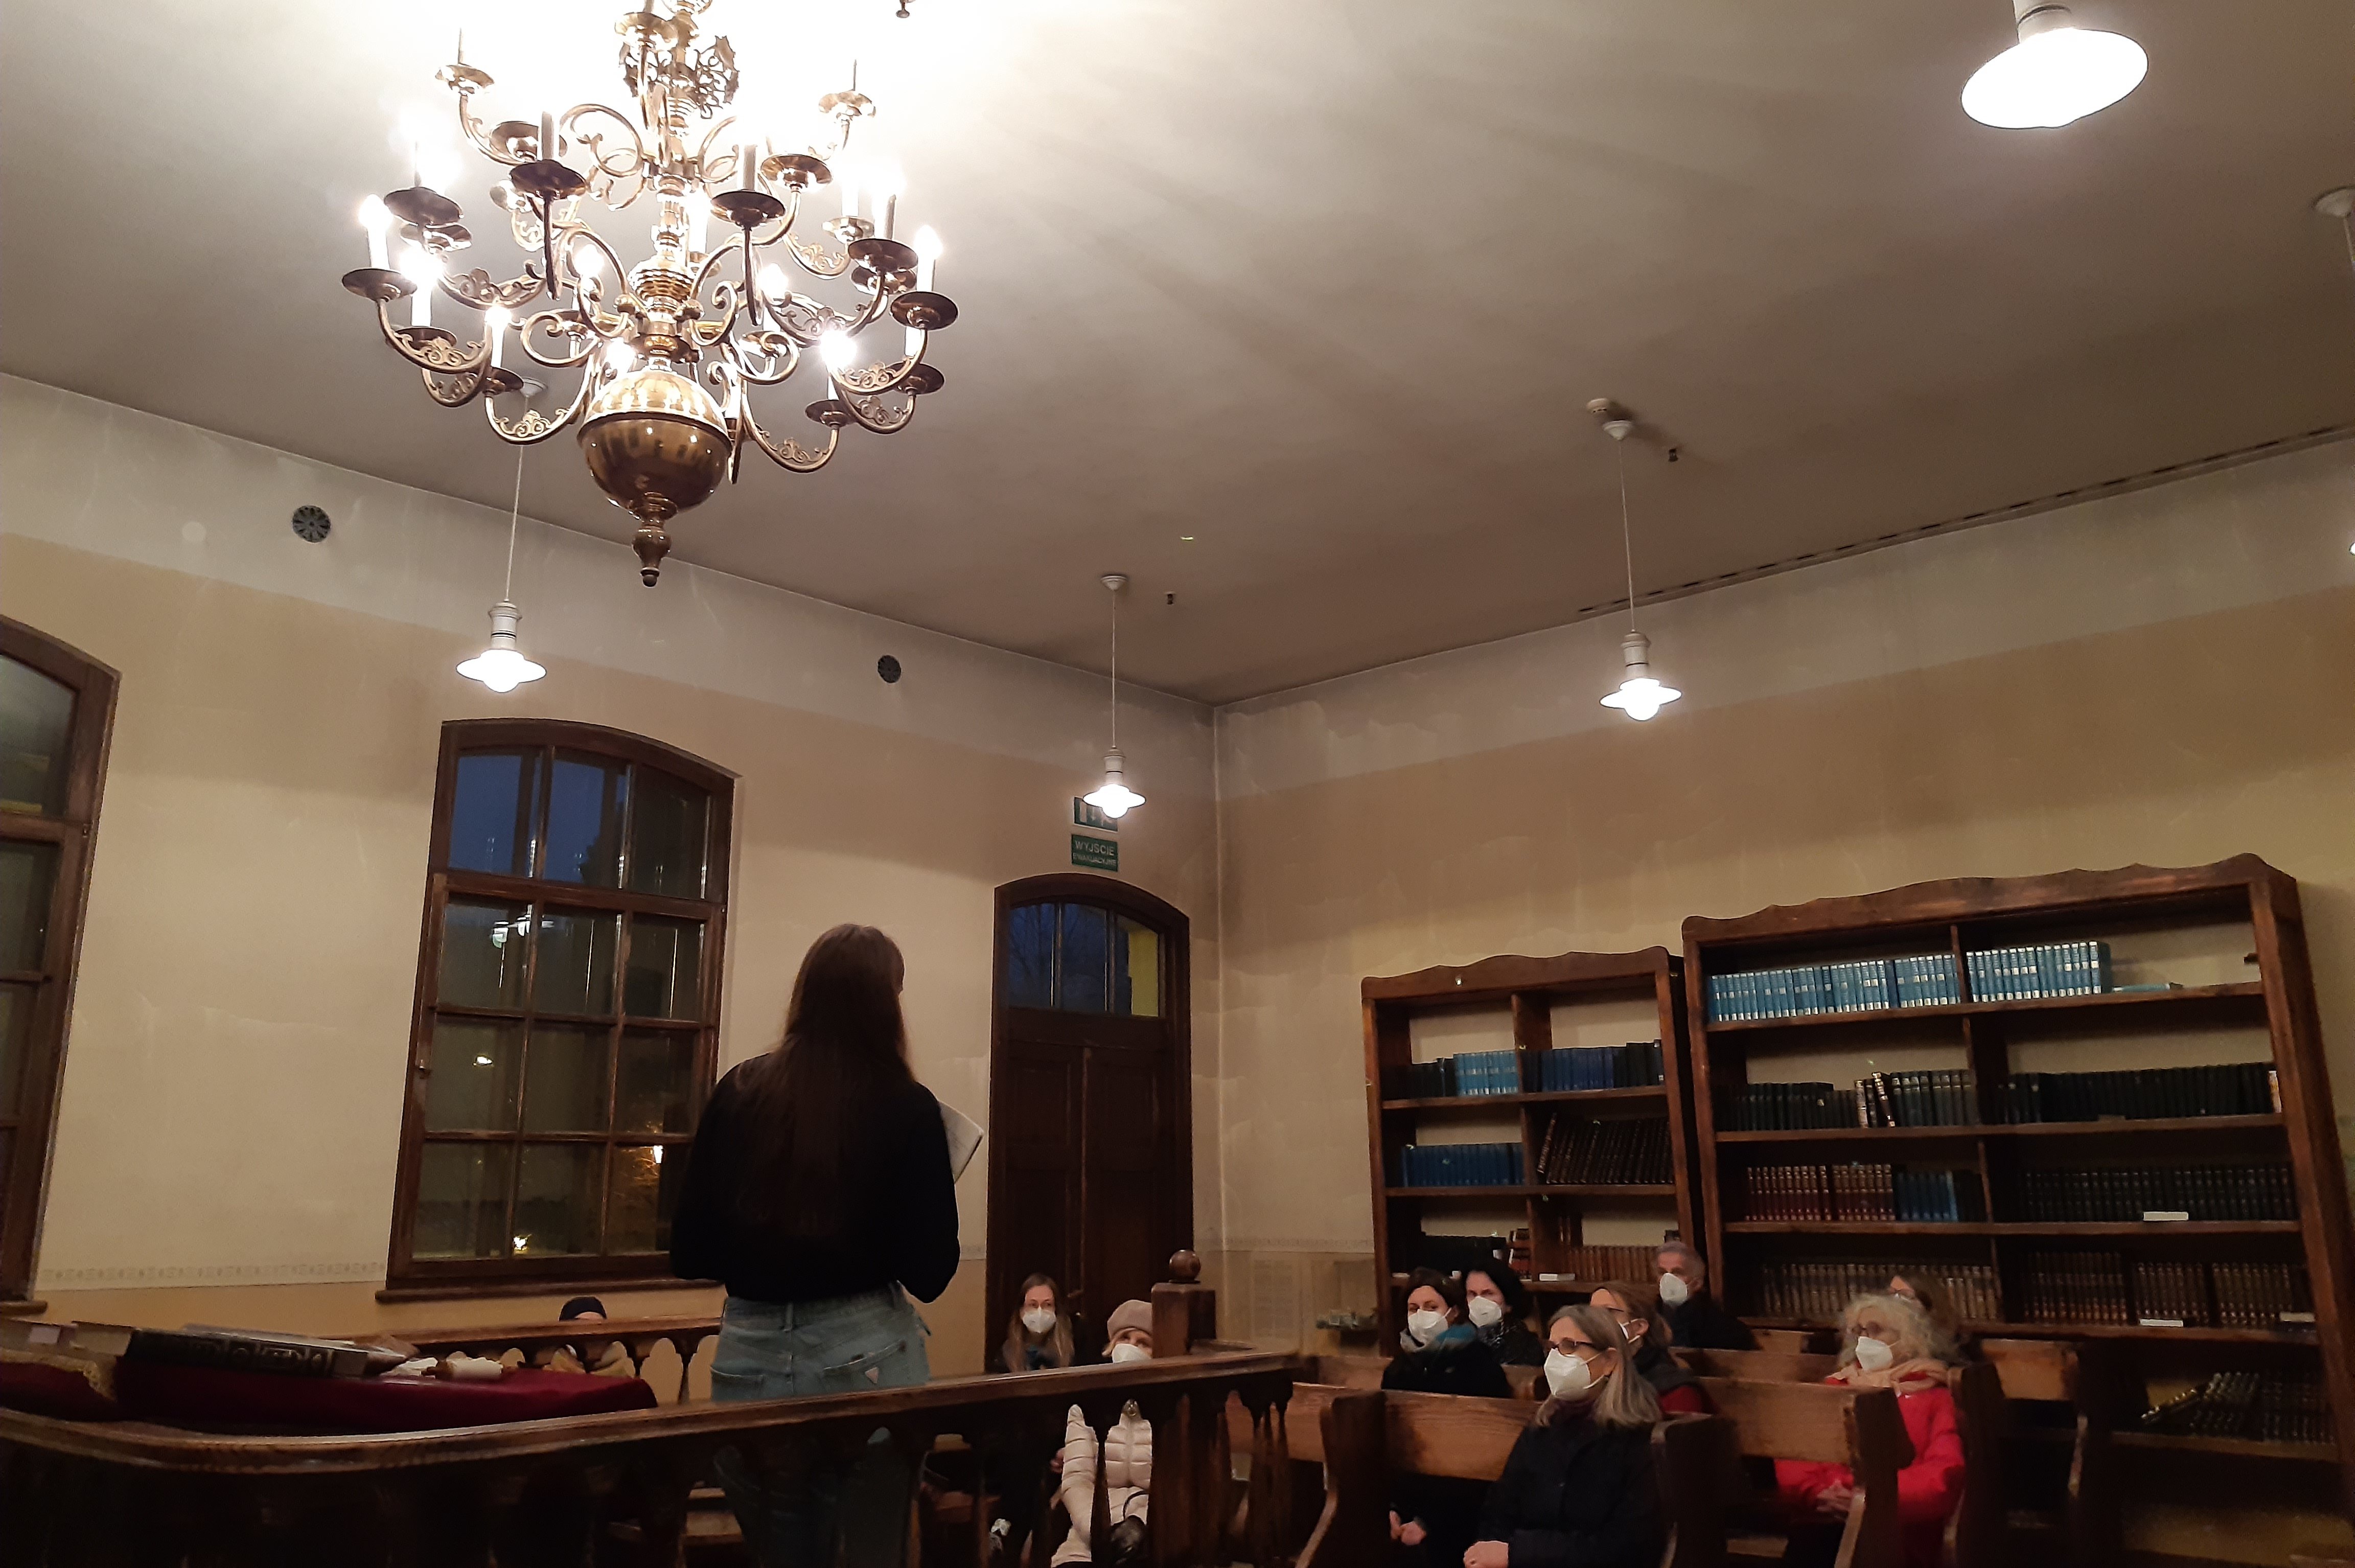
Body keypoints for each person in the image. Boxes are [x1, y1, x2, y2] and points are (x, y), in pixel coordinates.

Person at [670, 925, 959, 1568]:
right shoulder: (907, 1105)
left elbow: (690, 1250)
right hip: (867, 1358)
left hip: (748, 1362)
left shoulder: (740, 1091)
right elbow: (932, 1269)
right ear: (886, 1002)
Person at [1465, 1303, 1666, 1568]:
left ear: (1609, 1361)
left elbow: (1626, 1546)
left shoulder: (1638, 1438)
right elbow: (1500, 1509)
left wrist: (1519, 1552)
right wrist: (1488, 1550)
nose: (1556, 1358)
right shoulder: (1543, 1427)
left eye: (1570, 1346)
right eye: (1552, 1348)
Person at [1775, 1293, 1964, 1568]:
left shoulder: (1935, 1397)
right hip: (1828, 1517)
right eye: (1858, 1331)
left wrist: (1868, 1499)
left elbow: (1943, 1475)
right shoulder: (1835, 1388)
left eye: (1875, 1330)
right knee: (1816, 1543)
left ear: (1908, 1338)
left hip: (1897, 1524)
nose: (1864, 1339)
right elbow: (1797, 1450)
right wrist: (1817, 1492)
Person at [1383, 1270, 1508, 1565]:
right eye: (1413, 1309)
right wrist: (1393, 1509)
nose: (1421, 1316)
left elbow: (1484, 1453)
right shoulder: (1399, 1369)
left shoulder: (1477, 1363)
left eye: (1431, 1307)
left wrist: (1428, 1522)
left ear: (1452, 1312)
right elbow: (1390, 1445)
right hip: (1409, 1502)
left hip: (1463, 1506)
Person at [1050, 1300, 1155, 1566]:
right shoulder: (1086, 1405)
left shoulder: (1169, 1410)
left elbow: (1174, 1488)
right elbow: (1076, 1480)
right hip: (1088, 1538)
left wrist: (1141, 1524)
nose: (1131, 1347)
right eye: (1124, 1339)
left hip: (1150, 1536)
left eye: (1143, 1343)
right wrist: (1099, 1532)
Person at [1588, 1279, 1707, 1414]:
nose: (1595, 1322)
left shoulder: (1676, 1390)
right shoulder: (1592, 1377)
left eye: (1609, 1312)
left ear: (1639, 1326)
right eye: (1592, 1314)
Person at [1655, 1241, 1756, 1351]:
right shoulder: (1650, 1316)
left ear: (1697, 1283)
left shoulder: (1721, 1327)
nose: (1668, 1279)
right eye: (1662, 1273)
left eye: (1677, 1273)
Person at [1464, 1261, 1546, 1367]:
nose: (1478, 1301)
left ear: (1508, 1301)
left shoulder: (1526, 1346)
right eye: (1473, 1294)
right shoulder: (1459, 1342)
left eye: (1488, 1294)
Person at [1000, 1274, 1077, 1373]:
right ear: (1021, 1311)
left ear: (1056, 1310)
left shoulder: (1073, 1350)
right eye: (1033, 1305)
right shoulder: (1006, 1356)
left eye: (1048, 1305)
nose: (1040, 1311)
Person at [539, 1295, 632, 1377]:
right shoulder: (550, 1375)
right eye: (582, 1326)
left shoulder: (623, 1372)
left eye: (598, 1326)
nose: (591, 1335)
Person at [1888, 1271, 1973, 1359]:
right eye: (1891, 1295)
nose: (1894, 1301)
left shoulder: (1951, 1346)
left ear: (1928, 1304)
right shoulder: (1885, 1336)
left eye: (1906, 1296)